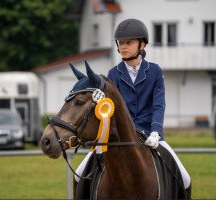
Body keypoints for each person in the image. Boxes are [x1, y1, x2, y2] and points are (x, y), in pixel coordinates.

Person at [75, 18, 191, 191]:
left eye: (128, 42)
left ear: (142, 45)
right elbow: (109, 109)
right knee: (79, 173)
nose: (122, 46)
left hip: (150, 134)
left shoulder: (155, 71)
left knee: (185, 177)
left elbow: (158, 105)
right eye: (120, 43)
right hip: (121, 137)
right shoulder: (113, 74)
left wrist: (156, 132)